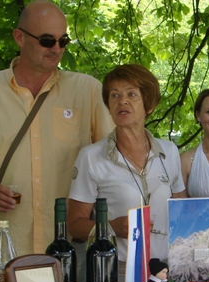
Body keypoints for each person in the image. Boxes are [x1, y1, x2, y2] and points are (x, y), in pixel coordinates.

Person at [0, 0, 114, 256]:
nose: (56, 49)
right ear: (19, 37)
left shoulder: (87, 91)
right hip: (4, 248)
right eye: (47, 40)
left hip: (72, 249)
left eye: (63, 41)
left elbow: (113, 161)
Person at [68, 64, 187, 266]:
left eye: (132, 94)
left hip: (166, 269)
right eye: (114, 95)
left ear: (149, 105)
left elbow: (181, 210)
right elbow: (74, 225)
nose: (122, 101)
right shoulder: (91, 157)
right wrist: (110, 228)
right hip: (118, 271)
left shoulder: (169, 152)